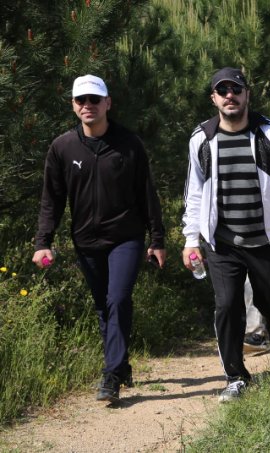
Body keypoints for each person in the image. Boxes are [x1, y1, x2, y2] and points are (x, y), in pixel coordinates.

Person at [33, 74, 166, 402]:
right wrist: (43, 242)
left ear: (108, 103)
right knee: (104, 306)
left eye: (94, 99)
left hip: (126, 237)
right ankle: (121, 365)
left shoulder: (129, 144)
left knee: (117, 298)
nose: (88, 105)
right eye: (81, 100)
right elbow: (52, 200)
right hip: (86, 240)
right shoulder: (62, 147)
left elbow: (147, 194)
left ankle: (111, 375)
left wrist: (157, 239)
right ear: (73, 105)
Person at [181, 67, 270, 403]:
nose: (230, 96)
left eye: (236, 90)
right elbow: (194, 193)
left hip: (267, 240)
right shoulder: (201, 139)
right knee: (227, 306)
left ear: (247, 95)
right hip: (223, 244)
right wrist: (191, 239)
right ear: (214, 98)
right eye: (222, 91)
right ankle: (235, 377)